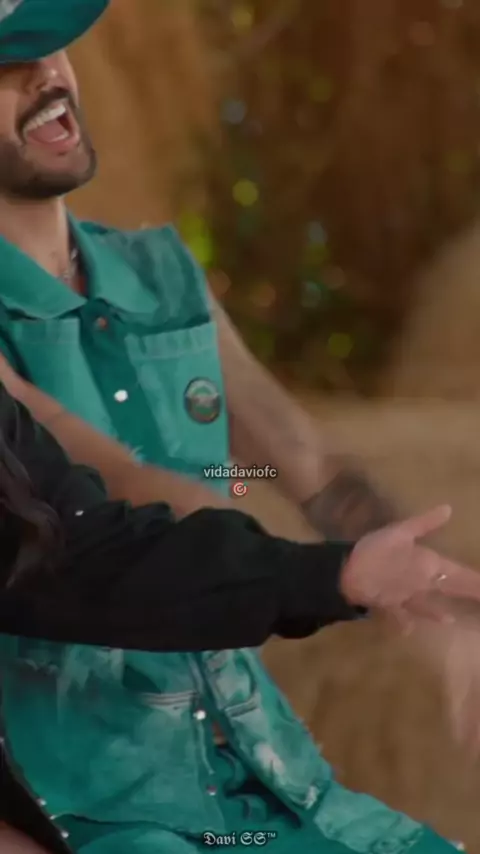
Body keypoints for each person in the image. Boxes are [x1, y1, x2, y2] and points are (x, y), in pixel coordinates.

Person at [0, 2, 471, 853]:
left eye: (48, 45)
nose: (45, 74)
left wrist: (442, 608)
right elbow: (118, 493)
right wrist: (326, 576)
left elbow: (306, 462)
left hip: (276, 778)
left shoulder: (162, 272)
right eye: (3, 66)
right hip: (107, 808)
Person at [0, 383, 474, 854]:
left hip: (253, 777)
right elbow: (125, 503)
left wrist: (340, 574)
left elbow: (79, 547)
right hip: (95, 792)